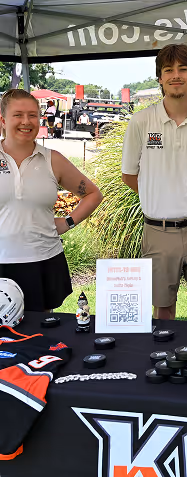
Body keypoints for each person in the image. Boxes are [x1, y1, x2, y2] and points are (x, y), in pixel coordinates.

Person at [121, 44, 187, 321]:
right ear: (160, 77)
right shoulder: (141, 122)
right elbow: (129, 176)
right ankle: (165, 360)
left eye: (183, 69)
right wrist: (161, 196)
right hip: (158, 230)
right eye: (168, 70)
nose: (175, 75)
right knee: (162, 309)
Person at [0, 89, 103, 312]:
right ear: (3, 120)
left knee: (40, 335)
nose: (26, 122)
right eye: (18, 115)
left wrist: (67, 222)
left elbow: (93, 194)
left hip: (42, 261)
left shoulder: (52, 160)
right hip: (1, 261)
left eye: (33, 115)